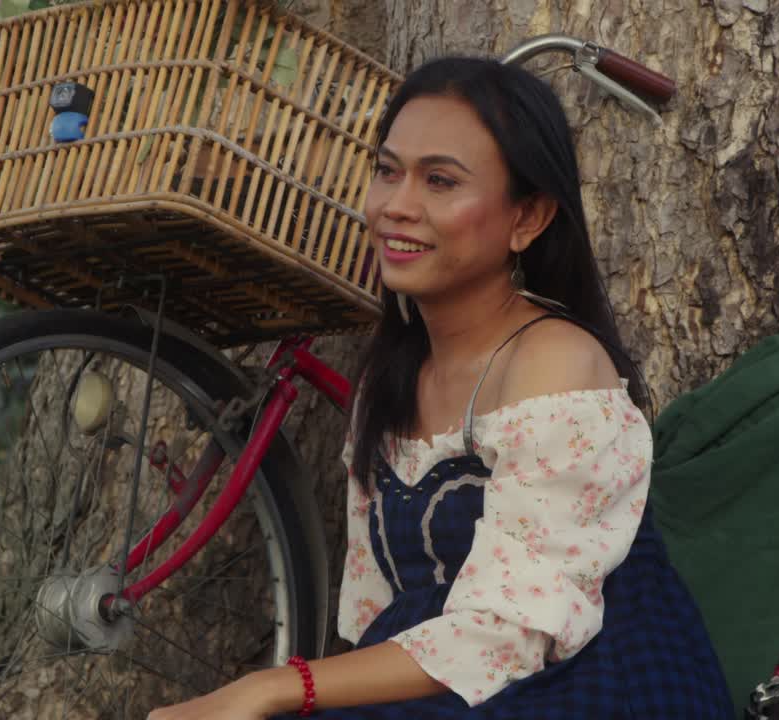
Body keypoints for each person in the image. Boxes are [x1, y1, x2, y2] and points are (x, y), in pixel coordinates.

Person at [148, 57, 731, 719]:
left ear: (529, 216)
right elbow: (379, 602)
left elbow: (513, 631)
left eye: (440, 181)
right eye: (387, 171)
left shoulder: (552, 363)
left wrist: (274, 687)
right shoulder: (391, 377)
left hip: (580, 687)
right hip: (437, 684)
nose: (397, 205)